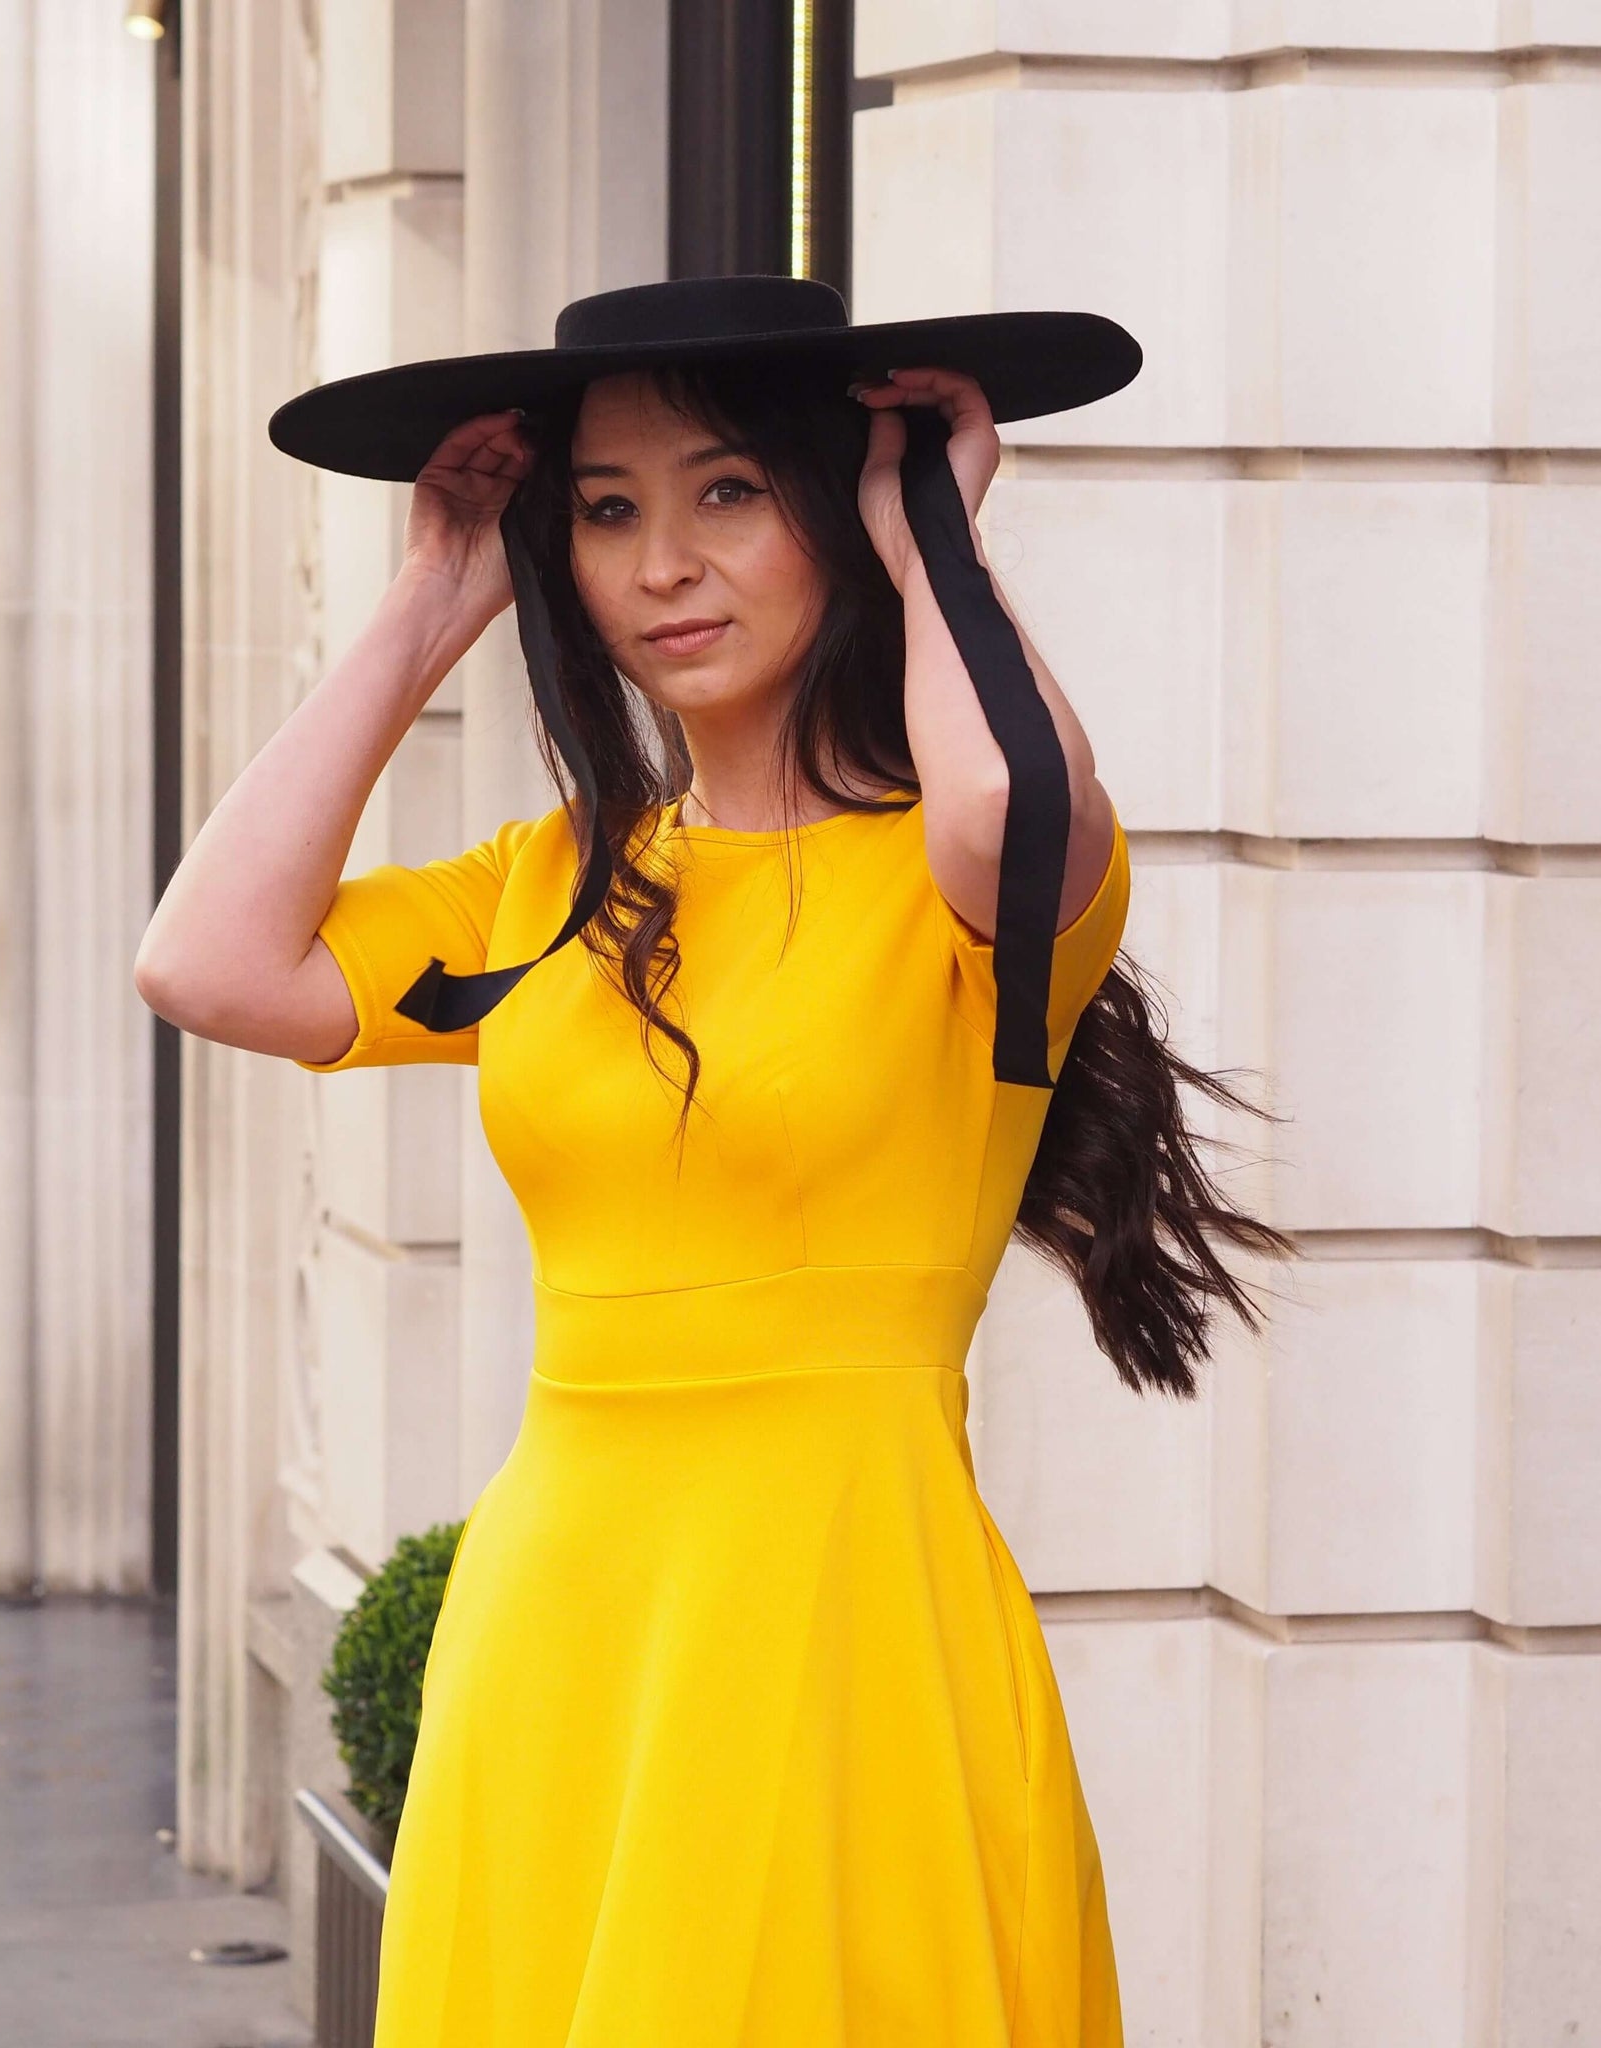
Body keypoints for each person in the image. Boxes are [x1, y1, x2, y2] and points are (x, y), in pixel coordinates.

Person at [136, 277, 1290, 2046]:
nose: (662, 564)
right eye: (606, 512)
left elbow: (1012, 803)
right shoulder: (550, 886)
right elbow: (209, 960)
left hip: (841, 1627)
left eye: (729, 491)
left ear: (835, 504)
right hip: (563, 1632)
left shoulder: (963, 888)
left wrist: (934, 539)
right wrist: (434, 595)